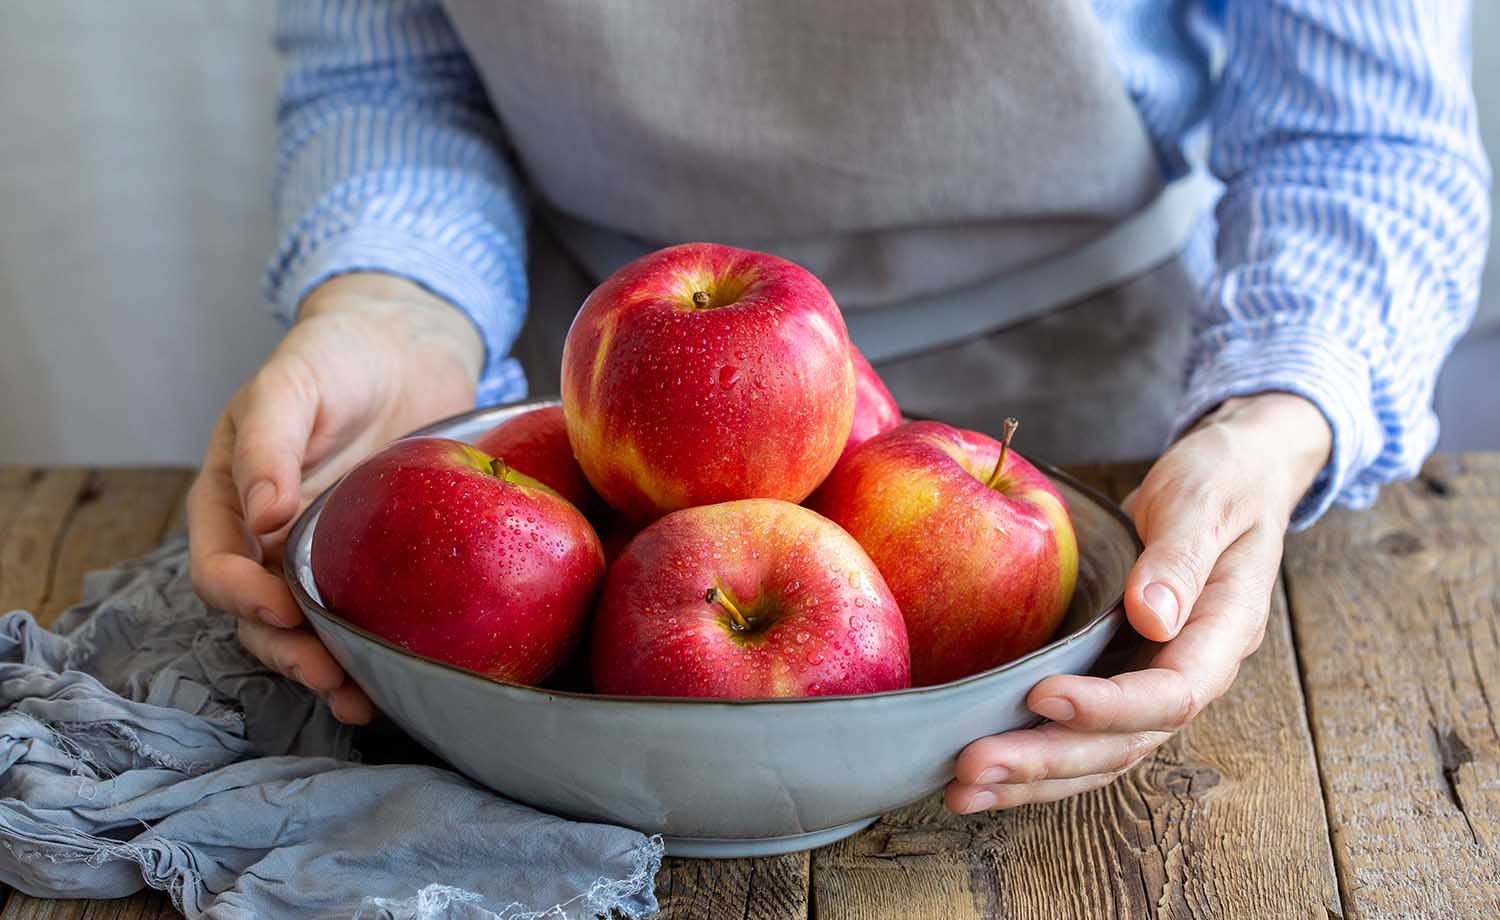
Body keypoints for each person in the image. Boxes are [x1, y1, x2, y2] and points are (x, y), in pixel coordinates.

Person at [189, 0, 1489, 814]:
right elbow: (397, 77)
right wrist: (389, 308)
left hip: (1105, 420)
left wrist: (1265, 427)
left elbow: (1359, 140)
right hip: (589, 438)